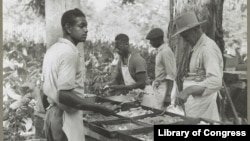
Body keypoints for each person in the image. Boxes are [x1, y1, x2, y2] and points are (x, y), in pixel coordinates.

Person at [42, 8, 114, 141]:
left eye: (86, 26)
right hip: (65, 118)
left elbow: (44, 90)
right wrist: (98, 107)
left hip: (52, 115)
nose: (86, 30)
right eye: (81, 26)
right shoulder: (69, 53)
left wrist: (52, 114)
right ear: (68, 28)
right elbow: (64, 95)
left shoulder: (53, 50)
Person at [172, 11, 223, 121]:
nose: (185, 41)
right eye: (183, 37)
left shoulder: (208, 48)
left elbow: (216, 81)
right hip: (195, 106)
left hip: (204, 107)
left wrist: (188, 90)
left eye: (186, 36)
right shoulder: (196, 47)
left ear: (196, 29)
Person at [145, 28, 180, 112]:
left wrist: (168, 96)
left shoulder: (165, 52)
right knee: (156, 111)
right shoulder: (160, 51)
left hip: (165, 87)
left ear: (160, 39)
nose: (150, 43)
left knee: (162, 112)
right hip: (159, 86)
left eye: (152, 40)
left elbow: (171, 75)